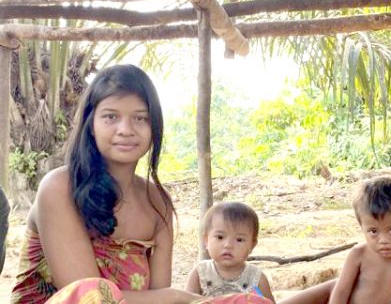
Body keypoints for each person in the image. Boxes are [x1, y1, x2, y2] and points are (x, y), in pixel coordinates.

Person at [10, 64, 267, 304]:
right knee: (96, 290)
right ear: (91, 125)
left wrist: (174, 298)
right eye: (110, 117)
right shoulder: (59, 188)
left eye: (140, 118)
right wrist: (175, 297)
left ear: (154, 127)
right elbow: (89, 296)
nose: (126, 129)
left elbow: (157, 298)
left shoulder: (158, 203)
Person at [280, 177, 391, 304]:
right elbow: (341, 292)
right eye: (373, 231)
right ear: (362, 228)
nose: (383, 240)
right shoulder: (359, 254)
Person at [186, 202, 275, 301]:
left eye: (239, 240)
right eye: (220, 237)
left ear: (252, 245)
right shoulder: (201, 272)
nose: (228, 245)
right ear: (206, 240)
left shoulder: (256, 278)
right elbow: (186, 301)